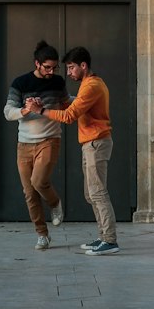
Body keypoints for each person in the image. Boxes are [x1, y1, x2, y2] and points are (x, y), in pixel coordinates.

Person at [30, 44, 117, 255]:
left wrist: (40, 110)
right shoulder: (89, 84)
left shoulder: (91, 86)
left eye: (71, 67)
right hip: (91, 143)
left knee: (98, 193)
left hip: (96, 143)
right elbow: (74, 106)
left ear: (83, 66)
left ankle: (110, 240)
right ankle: (103, 236)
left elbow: (69, 116)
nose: (68, 73)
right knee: (91, 194)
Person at [3, 40, 68, 250]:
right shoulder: (20, 83)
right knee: (29, 192)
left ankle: (55, 203)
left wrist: (87, 100)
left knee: (39, 181)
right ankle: (42, 234)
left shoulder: (58, 82)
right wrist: (26, 109)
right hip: (24, 144)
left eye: (54, 67)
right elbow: (8, 112)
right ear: (37, 64)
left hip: (49, 139)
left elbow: (67, 103)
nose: (51, 71)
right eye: (47, 67)